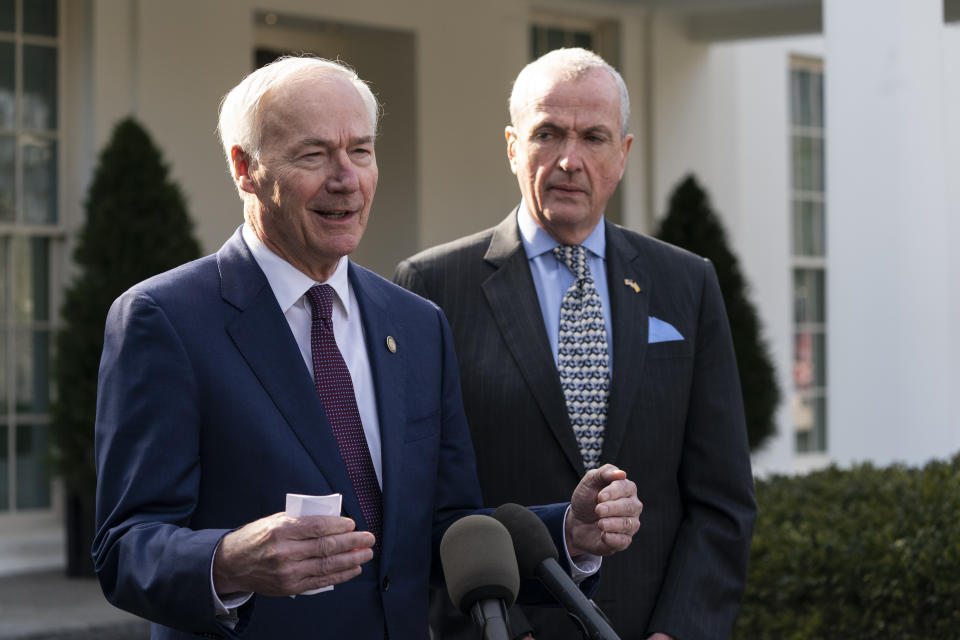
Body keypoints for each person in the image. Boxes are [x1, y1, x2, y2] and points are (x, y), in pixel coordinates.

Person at [92, 56, 643, 639]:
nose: (346, 178)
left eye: (360, 150)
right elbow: (125, 547)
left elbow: (446, 528)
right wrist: (227, 560)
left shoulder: (416, 323)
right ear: (245, 168)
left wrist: (569, 534)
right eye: (314, 154)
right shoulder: (165, 319)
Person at [394, 48, 756, 640]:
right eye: (547, 134)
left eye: (593, 137)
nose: (569, 160)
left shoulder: (687, 283)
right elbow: (420, 503)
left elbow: (723, 499)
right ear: (513, 146)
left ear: (623, 154)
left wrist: (678, 632)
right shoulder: (432, 287)